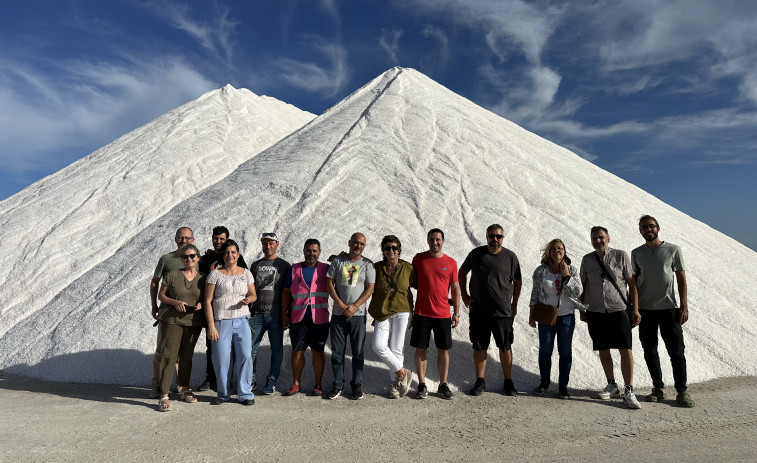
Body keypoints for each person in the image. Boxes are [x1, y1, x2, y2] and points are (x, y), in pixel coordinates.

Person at [632, 215, 694, 407]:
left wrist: (683, 306)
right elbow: (633, 282)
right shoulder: (636, 253)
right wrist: (634, 308)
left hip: (669, 308)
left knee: (676, 351)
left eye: (651, 226)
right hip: (645, 310)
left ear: (658, 228)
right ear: (640, 231)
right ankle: (658, 388)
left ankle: (682, 391)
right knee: (649, 351)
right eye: (644, 227)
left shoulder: (673, 249)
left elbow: (681, 278)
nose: (648, 229)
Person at [580, 226, 642, 409]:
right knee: (603, 348)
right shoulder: (587, 259)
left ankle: (629, 389)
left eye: (601, 237)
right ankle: (612, 384)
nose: (598, 241)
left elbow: (631, 284)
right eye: (594, 238)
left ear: (608, 238)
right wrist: (582, 309)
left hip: (619, 309)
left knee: (626, 349)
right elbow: (584, 286)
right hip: (596, 311)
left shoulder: (621, 255)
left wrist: (635, 309)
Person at [459, 224, 522, 397]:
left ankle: (508, 382)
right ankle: (480, 381)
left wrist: (514, 304)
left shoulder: (510, 257)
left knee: (505, 346)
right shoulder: (476, 254)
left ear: (503, 238)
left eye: (498, 236)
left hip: (503, 311)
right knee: (480, 347)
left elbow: (517, 281)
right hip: (479, 310)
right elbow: (462, 272)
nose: (495, 239)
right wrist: (464, 294)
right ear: (486, 237)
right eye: (492, 236)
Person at [528, 238, 585, 399]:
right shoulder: (541, 271)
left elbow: (577, 292)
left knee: (565, 352)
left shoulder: (571, 270)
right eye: (553, 249)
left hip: (566, 316)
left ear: (565, 251)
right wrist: (531, 315)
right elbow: (535, 295)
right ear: (548, 252)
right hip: (546, 317)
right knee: (545, 351)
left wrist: (566, 276)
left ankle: (563, 386)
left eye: (560, 248)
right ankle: (544, 383)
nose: (557, 251)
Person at [203, 240, 257, 406]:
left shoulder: (246, 273)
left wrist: (249, 299)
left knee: (245, 356)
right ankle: (223, 393)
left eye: (233, 252)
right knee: (221, 359)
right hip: (221, 321)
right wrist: (211, 326)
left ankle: (245, 393)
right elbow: (207, 301)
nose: (230, 255)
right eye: (227, 253)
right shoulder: (215, 274)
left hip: (242, 320)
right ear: (223, 255)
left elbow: (254, 294)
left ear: (238, 254)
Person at [411, 228, 460, 400]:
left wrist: (457, 313)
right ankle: (422, 384)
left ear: (443, 241)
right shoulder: (418, 259)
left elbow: (455, 288)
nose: (435, 243)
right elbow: (411, 280)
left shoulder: (451, 262)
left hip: (443, 314)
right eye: (432, 239)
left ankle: (443, 384)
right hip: (422, 313)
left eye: (438, 239)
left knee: (443, 350)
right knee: (420, 349)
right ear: (427, 240)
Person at [155, 244, 206, 411]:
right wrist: (175, 302)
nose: (189, 259)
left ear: (198, 258)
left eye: (192, 256)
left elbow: (208, 297)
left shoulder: (203, 278)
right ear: (181, 259)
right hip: (172, 321)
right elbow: (161, 294)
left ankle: (184, 388)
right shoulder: (172, 275)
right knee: (169, 356)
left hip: (193, 322)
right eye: (185, 257)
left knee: (186, 356)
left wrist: (201, 305)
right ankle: (164, 395)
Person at [325, 233, 376, 400]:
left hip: (358, 316)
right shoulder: (338, 261)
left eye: (362, 244)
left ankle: (356, 384)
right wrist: (340, 304)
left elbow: (370, 288)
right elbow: (329, 283)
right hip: (338, 315)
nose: (358, 246)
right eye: (356, 243)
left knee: (358, 353)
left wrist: (354, 306)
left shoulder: (368, 265)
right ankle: (338, 384)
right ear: (349, 243)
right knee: (337, 353)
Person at [197, 226, 247, 392]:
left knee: (235, 350)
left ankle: (231, 382)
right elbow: (199, 283)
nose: (218, 242)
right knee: (213, 347)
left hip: (235, 313)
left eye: (222, 239)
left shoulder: (235, 258)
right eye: (216, 238)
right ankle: (211, 379)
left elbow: (245, 280)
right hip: (212, 310)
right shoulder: (206, 259)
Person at [148, 226, 194, 398]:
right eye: (181, 238)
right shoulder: (166, 259)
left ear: (193, 240)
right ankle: (156, 384)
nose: (184, 241)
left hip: (189, 316)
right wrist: (154, 305)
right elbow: (155, 283)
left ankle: (181, 386)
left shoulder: (197, 259)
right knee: (163, 350)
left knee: (183, 353)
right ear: (175, 239)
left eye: (187, 238)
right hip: (167, 313)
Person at [281, 239, 330, 397]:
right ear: (304, 251)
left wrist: (339, 257)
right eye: (308, 250)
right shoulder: (295, 269)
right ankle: (296, 384)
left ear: (319, 252)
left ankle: (318, 384)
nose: (311, 253)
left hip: (319, 318)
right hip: (298, 318)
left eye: (315, 251)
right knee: (297, 352)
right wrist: (284, 314)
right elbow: (286, 292)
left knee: (318, 351)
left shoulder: (326, 268)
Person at [368, 235, 415, 399]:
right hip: (382, 311)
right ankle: (404, 373)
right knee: (378, 345)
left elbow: (423, 284)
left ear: (399, 250)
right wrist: (342, 258)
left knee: (396, 348)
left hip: (403, 311)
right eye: (387, 247)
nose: (391, 250)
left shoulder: (408, 268)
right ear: (383, 250)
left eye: (394, 247)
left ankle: (396, 385)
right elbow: (359, 272)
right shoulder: (376, 268)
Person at [249, 232, 291, 395]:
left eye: (271, 243)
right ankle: (251, 380)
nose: (268, 246)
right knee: (250, 349)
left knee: (277, 349)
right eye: (265, 243)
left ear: (277, 244)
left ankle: (271, 380)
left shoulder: (285, 266)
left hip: (275, 314)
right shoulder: (256, 265)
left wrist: (286, 314)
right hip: (256, 314)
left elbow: (288, 292)